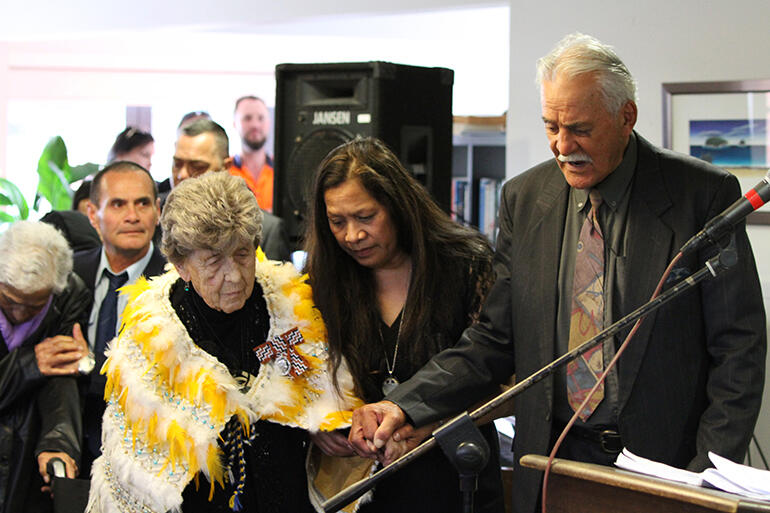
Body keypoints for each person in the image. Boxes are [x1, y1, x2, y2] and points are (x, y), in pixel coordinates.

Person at [349, 33, 767, 513]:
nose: (562, 146)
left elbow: (739, 348)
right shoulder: (525, 200)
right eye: (551, 125)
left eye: (581, 129)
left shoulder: (702, 195)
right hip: (550, 466)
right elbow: (492, 340)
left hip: (664, 471)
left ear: (626, 117)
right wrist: (404, 404)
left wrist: (705, 479)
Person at [86, 172, 361, 513]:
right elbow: (134, 473)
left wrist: (323, 423)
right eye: (213, 261)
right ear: (181, 264)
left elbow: (309, 387)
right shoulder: (150, 338)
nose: (233, 276)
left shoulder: (284, 307)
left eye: (242, 254)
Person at [304, 137, 505, 512]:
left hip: (454, 485)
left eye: (366, 217)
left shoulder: (466, 265)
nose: (352, 235)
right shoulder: (322, 278)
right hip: (361, 487)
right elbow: (293, 368)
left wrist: (422, 427)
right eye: (337, 222)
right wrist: (314, 422)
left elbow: (506, 382)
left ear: (398, 207)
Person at [75, 160, 167, 474]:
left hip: (150, 459)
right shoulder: (69, 274)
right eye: (118, 204)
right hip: (75, 453)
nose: (132, 216)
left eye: (143, 203)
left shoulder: (180, 282)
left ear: (157, 211)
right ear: (92, 214)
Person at [0, 221, 91, 512]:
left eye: (34, 306)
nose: (19, 312)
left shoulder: (68, 294)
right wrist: (29, 364)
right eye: (10, 300)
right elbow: (43, 364)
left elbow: (61, 376)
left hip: (27, 447)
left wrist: (60, 443)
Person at [172, 118, 291, 261]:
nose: (182, 174)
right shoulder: (155, 222)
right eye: (177, 164)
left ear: (226, 167)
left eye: (197, 166)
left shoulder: (265, 230)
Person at [230, 95, 274, 212]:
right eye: (247, 118)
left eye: (261, 118)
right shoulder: (224, 171)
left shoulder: (282, 170)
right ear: (235, 123)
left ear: (269, 123)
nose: (255, 125)